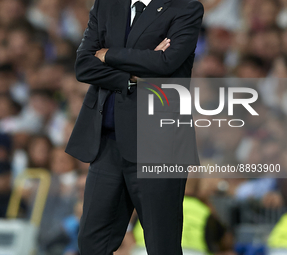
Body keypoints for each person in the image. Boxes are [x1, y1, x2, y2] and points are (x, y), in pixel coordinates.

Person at [65, 0, 204, 254]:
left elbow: (166, 63)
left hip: (160, 144)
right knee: (91, 243)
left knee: (162, 245)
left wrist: (109, 54)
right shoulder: (107, 4)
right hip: (107, 143)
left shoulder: (185, 7)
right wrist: (130, 77)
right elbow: (84, 65)